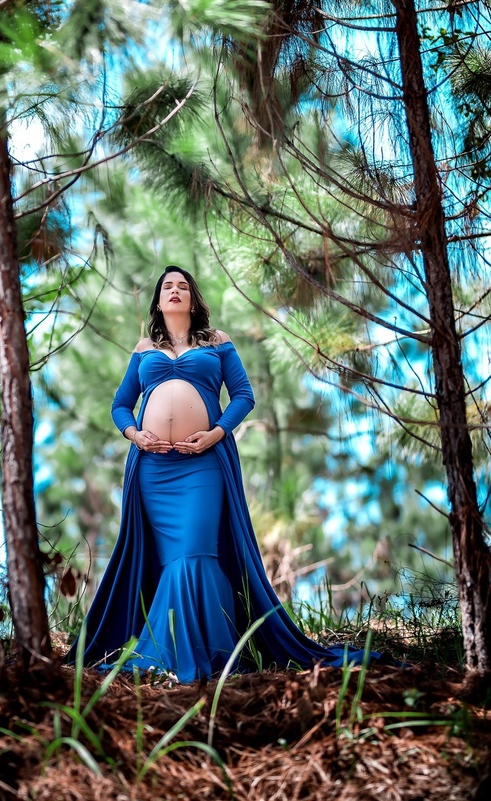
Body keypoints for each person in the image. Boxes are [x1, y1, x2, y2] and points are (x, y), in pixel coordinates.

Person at [71, 266, 372, 682]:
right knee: (170, 560)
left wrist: (215, 433)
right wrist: (135, 434)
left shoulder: (218, 343)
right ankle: (172, 653)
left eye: (182, 287)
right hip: (153, 471)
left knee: (194, 553)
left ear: (194, 300)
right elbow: (120, 404)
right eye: (167, 288)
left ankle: (208, 654)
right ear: (158, 302)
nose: (174, 292)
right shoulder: (143, 348)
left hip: (203, 465)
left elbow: (244, 396)